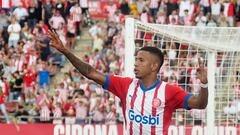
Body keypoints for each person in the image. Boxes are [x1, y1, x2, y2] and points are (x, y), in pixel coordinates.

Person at [48, 29, 208, 135]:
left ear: (154, 66)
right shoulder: (125, 85)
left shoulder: (169, 91)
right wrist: (65, 51)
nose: (136, 63)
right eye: (136, 59)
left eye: (141, 60)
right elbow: (91, 73)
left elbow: (200, 104)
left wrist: (204, 85)